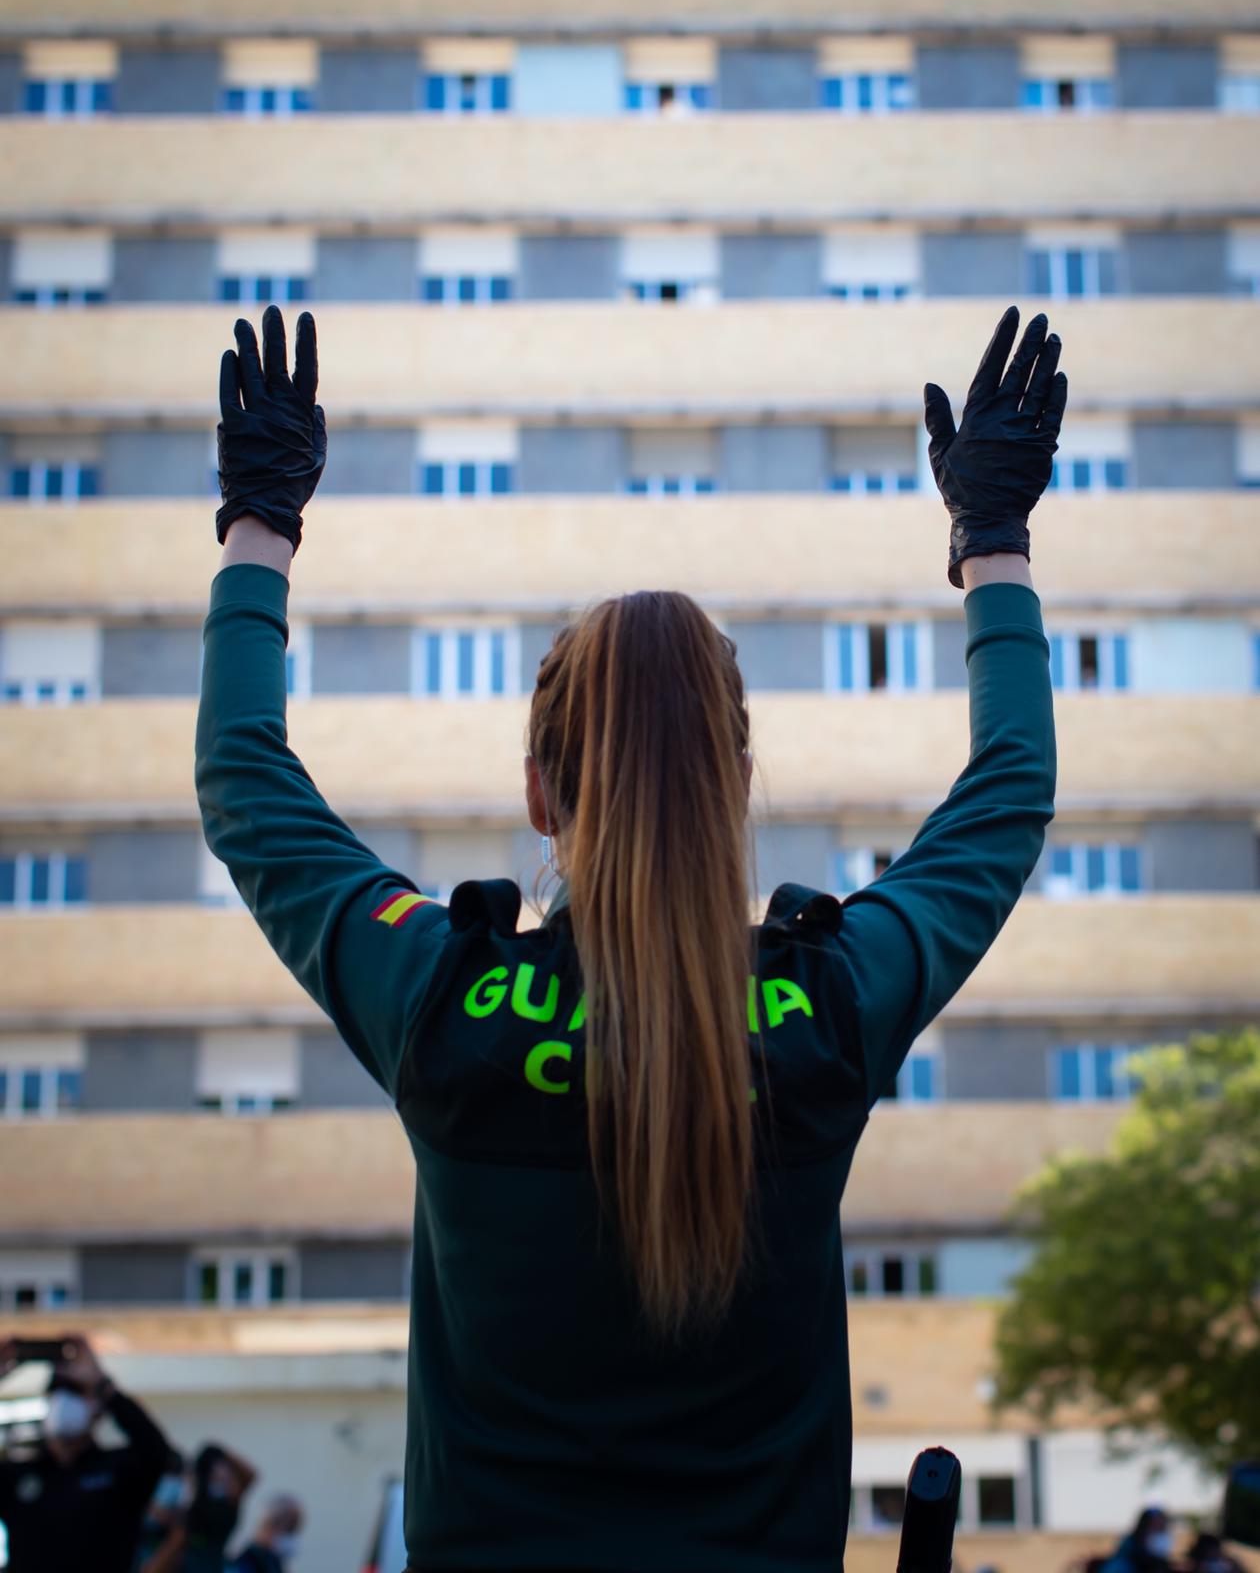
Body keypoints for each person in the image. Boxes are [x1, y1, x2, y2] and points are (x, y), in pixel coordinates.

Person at [196, 301, 1064, 1571]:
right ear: (736, 780)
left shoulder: (445, 1001)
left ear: (541, 794)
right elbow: (1009, 791)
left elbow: (242, 777)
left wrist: (259, 521)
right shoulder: (826, 1013)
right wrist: (993, 539)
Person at [0, 1334, 172, 1573]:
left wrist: (103, 1385)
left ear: (97, 1408)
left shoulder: (117, 1470)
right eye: (56, 1392)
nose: (64, 1401)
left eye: (75, 1392)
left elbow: (155, 1450)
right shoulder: (20, 1475)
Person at [180, 1442, 258, 1572]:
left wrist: (220, 1452)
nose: (222, 1473)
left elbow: (250, 1475)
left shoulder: (226, 1503)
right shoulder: (193, 1503)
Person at [229, 1493, 305, 1572]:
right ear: (269, 1524)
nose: (291, 1537)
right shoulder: (247, 1562)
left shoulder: (273, 1561)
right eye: (290, 1529)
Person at [1102, 1506, 1177, 1572]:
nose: (1158, 1523)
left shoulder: (1162, 1538)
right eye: (1154, 1520)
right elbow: (1138, 1557)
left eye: (1160, 1520)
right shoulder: (1132, 1540)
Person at [1183, 1531, 1247, 1573]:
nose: (1217, 1551)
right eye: (1213, 1549)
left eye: (1217, 1548)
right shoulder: (1199, 1565)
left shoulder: (1228, 1563)